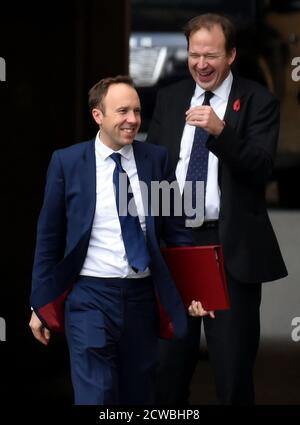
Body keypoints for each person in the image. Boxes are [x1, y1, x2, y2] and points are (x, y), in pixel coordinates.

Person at [29, 75, 208, 405]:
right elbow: (48, 238)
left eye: (137, 111)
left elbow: (177, 232)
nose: (132, 120)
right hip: (89, 298)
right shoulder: (67, 162)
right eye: (122, 111)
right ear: (98, 115)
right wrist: (38, 303)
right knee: (96, 396)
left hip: (141, 299)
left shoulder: (156, 161)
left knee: (138, 396)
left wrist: (196, 290)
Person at [146, 14, 288, 405]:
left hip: (228, 248)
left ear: (231, 55)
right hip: (176, 244)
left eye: (211, 55)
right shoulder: (172, 98)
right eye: (194, 55)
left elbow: (260, 168)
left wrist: (221, 131)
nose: (201, 64)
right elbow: (154, 169)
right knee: (167, 365)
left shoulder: (258, 101)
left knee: (232, 370)